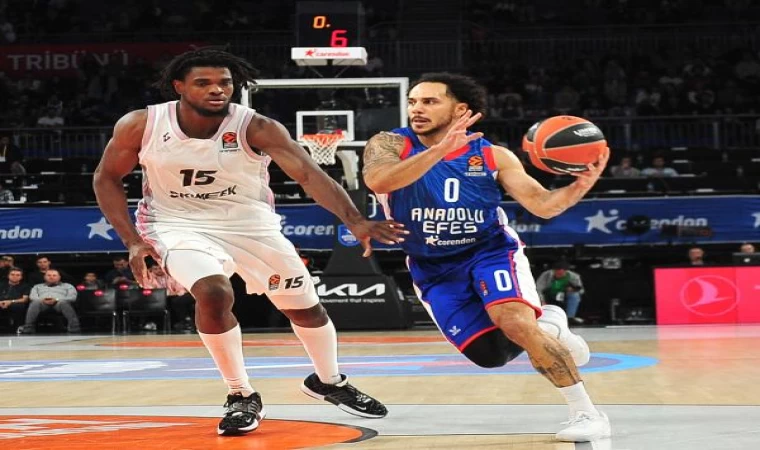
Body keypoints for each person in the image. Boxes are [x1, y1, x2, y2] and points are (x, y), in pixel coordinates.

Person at [93, 48, 405, 436]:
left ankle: (329, 381)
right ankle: (240, 394)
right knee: (213, 292)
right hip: (175, 223)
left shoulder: (256, 126)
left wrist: (355, 220)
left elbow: (309, 175)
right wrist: (133, 241)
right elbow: (106, 177)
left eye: (225, 82)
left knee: (306, 310)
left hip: (252, 225)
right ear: (179, 87)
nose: (217, 90)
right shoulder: (142, 124)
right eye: (203, 83)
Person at [362, 72, 611, 442]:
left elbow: (542, 205)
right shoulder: (389, 142)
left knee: (513, 322)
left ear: (460, 109)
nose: (417, 109)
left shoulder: (493, 155)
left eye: (429, 101)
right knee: (490, 355)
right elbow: (380, 181)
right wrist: (439, 151)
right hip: (432, 265)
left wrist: (579, 187)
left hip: (489, 251)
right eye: (413, 101)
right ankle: (550, 323)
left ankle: (586, 413)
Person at [20, 269, 80, 334]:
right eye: (49, 275)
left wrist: (57, 299)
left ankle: (74, 328)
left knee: (64, 303)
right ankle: (28, 328)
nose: (51, 277)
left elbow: (72, 297)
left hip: (59, 303)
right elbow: (32, 297)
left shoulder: (68, 286)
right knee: (35, 303)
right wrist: (42, 300)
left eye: (54, 275)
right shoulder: (37, 286)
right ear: (44, 277)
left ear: (59, 277)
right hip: (42, 303)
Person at [536, 261, 585, 325]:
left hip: (564, 296)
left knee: (575, 295)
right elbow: (538, 289)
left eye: (561, 274)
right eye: (557, 273)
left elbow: (581, 290)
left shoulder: (574, 277)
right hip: (548, 295)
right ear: (553, 271)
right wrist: (542, 300)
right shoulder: (546, 275)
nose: (559, 275)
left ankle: (569, 318)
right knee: (537, 297)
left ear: (566, 271)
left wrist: (572, 289)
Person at [0, 267, 30, 332]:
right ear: (8, 276)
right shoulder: (1, 284)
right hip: (1, 302)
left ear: (21, 277)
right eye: (12, 274)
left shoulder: (25, 286)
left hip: (15, 304)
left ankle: (17, 327)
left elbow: (24, 299)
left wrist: (11, 302)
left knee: (20, 306)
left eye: (17, 275)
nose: (15, 277)